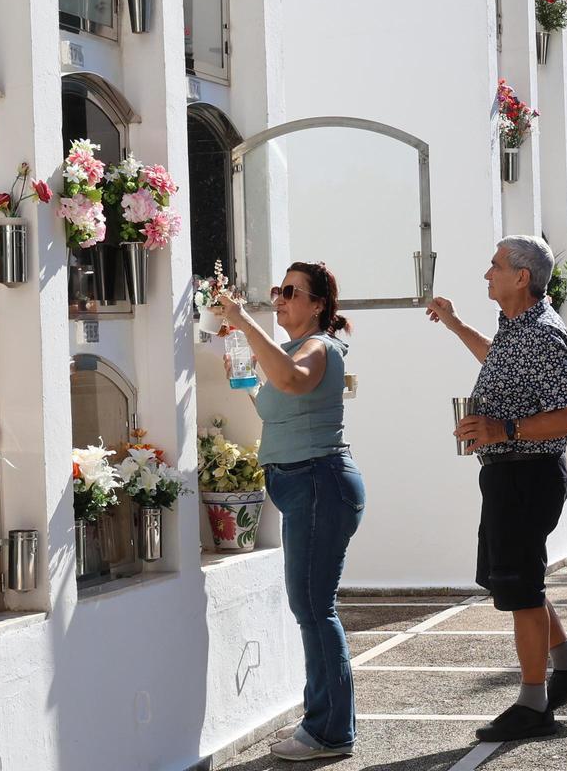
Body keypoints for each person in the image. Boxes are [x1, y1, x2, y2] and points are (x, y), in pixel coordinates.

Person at [426, 235, 567, 743]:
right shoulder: (516, 327)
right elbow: (498, 359)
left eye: (495, 266)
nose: (487, 274)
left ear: (522, 277)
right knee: (517, 580)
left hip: (526, 474)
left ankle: (533, 704)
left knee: (521, 588)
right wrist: (456, 325)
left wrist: (505, 430)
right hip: (509, 475)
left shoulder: (543, 334)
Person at [213, 262, 365, 762]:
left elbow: (296, 382)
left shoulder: (318, 347)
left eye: (291, 292)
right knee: (312, 607)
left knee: (314, 608)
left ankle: (328, 732)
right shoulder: (291, 350)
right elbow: (277, 402)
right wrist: (246, 377)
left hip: (319, 482)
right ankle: (327, 726)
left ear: (317, 304)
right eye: (276, 289)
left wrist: (241, 319)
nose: (279, 299)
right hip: (304, 484)